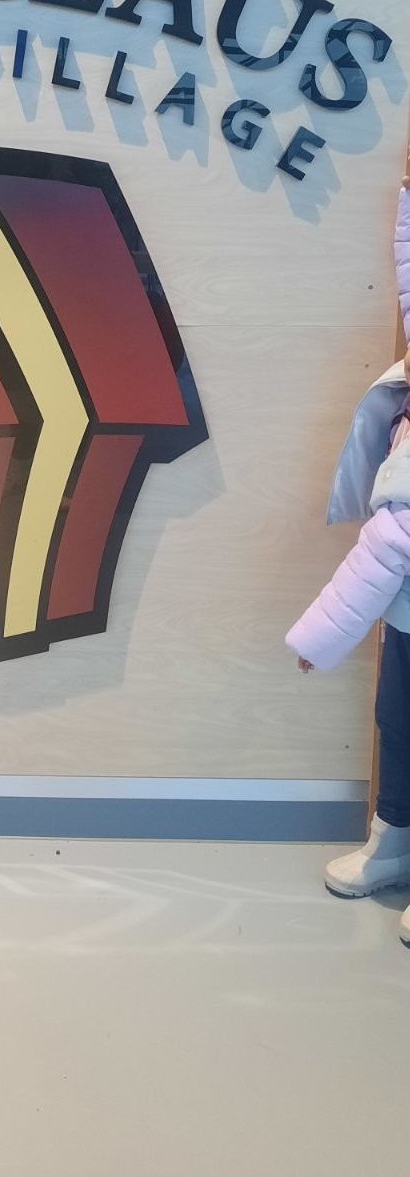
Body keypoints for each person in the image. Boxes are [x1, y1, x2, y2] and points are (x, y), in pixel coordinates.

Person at [287, 172, 410, 945]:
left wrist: (318, 640)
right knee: (395, 723)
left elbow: (385, 550)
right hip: (407, 624)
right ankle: (394, 840)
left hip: (394, 600)